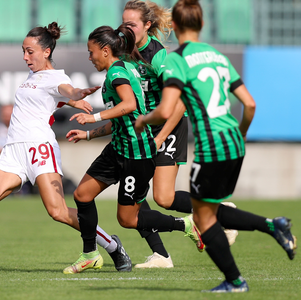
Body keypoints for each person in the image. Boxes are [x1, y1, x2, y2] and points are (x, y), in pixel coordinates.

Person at [0, 22, 133, 272]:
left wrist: (76, 94)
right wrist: (70, 102)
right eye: (23, 51)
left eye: (30, 51)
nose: (25, 57)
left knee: (58, 211)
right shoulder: (33, 77)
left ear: (46, 52)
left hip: (39, 148)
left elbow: (65, 89)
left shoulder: (57, 76)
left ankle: (112, 246)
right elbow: (49, 98)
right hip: (13, 150)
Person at [134, 0, 297, 292]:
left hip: (212, 146)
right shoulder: (217, 56)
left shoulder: (178, 60)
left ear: (176, 27)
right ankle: (265, 236)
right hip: (234, 141)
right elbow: (249, 105)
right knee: (205, 212)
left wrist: (144, 120)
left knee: (205, 220)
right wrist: (243, 132)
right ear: (202, 22)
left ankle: (247, 263)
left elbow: (167, 109)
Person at [64, 24, 203, 274]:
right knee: (82, 195)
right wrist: (88, 135)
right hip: (117, 149)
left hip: (137, 155)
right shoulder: (124, 68)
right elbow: (123, 117)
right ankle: (90, 254)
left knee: (127, 219)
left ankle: (185, 225)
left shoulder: (117, 73)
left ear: (105, 51)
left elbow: (128, 105)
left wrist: (93, 118)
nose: (89, 57)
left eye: (91, 51)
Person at [122, 0, 238, 268]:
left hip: (168, 126)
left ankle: (222, 213)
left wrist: (161, 136)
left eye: (131, 24)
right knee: (134, 196)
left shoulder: (160, 55)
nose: (124, 28)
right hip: (143, 130)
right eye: (123, 22)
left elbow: (181, 100)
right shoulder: (126, 51)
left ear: (147, 25)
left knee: (164, 198)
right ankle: (161, 256)